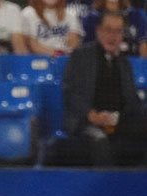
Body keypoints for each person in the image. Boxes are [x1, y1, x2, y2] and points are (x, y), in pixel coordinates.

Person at [62, 11, 147, 165]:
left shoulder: (124, 62)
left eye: (118, 31)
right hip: (88, 120)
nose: (113, 36)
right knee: (99, 139)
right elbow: (70, 92)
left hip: (116, 121)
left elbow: (133, 100)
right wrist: (90, 114)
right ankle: (109, 187)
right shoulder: (81, 55)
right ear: (98, 31)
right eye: (108, 30)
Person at [81, 0, 147, 56]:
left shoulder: (136, 15)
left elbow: (143, 44)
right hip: (97, 63)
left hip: (131, 64)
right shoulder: (91, 18)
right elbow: (85, 49)